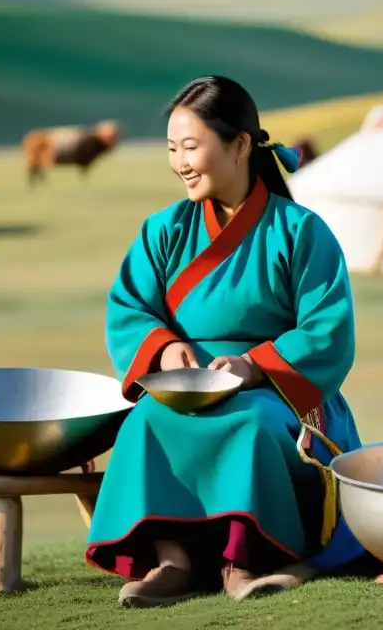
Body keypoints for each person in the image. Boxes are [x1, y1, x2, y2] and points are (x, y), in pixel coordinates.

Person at [85, 75, 365, 607]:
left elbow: (328, 329)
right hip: (186, 388)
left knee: (251, 425)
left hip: (282, 393)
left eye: (191, 146)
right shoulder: (162, 230)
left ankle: (244, 560)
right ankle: (174, 560)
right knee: (145, 421)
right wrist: (166, 347)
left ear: (239, 145)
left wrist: (256, 367)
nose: (180, 162)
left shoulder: (301, 231)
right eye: (172, 149)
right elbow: (129, 308)